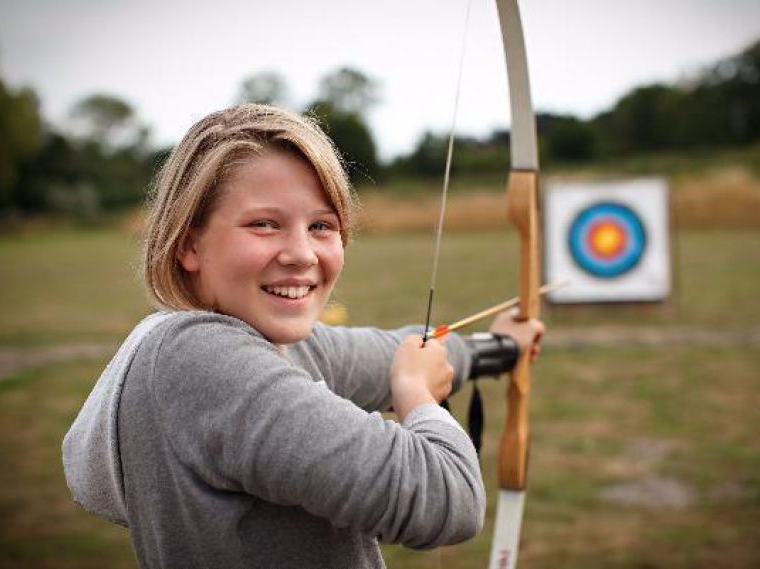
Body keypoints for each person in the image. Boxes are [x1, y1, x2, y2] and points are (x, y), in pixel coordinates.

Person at [62, 104, 545, 569]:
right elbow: (447, 499)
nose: (302, 254)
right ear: (189, 244)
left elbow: (397, 352)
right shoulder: (206, 363)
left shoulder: (256, 343)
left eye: (321, 226)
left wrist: (497, 347)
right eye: (264, 224)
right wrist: (417, 396)